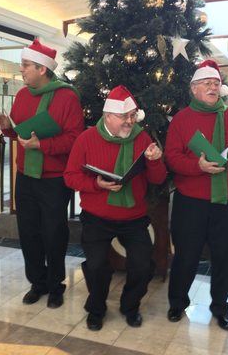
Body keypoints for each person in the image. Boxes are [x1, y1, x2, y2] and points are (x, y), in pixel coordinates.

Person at [64, 85, 166, 331]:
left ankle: (130, 306)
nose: (130, 121)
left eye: (133, 116)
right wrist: (96, 184)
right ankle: (96, 308)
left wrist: (154, 161)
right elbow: (70, 177)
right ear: (108, 116)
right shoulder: (86, 139)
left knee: (143, 265)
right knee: (97, 266)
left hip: (134, 217)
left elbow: (158, 180)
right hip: (97, 216)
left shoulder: (142, 138)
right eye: (124, 117)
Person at [164, 60, 228, 331]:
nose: (213, 88)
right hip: (190, 202)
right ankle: (177, 303)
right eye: (207, 84)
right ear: (194, 89)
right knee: (185, 256)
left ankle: (220, 309)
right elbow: (172, 158)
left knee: (226, 257)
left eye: (216, 84)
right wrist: (198, 166)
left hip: (226, 201)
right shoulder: (181, 119)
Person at [0, 39, 84, 309]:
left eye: (25, 66)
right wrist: (8, 129)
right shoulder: (22, 96)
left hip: (54, 179)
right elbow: (21, 133)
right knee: (29, 232)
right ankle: (37, 282)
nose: (21, 70)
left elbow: (75, 139)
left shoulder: (67, 96)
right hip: (25, 175)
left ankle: (55, 283)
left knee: (54, 233)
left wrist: (42, 145)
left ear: (42, 69)